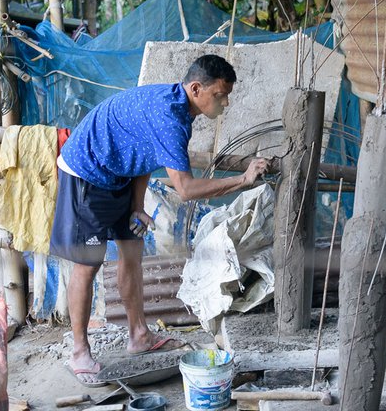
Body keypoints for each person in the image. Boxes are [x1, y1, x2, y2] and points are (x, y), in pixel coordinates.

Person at [53, 54, 269, 386]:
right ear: (197, 88)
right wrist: (242, 180)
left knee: (132, 252)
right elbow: (185, 189)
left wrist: (137, 205)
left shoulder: (179, 107)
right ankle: (80, 352)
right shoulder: (171, 118)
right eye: (220, 94)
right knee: (88, 264)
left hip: (119, 174)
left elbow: (144, 153)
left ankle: (138, 335)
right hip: (87, 173)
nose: (225, 103)